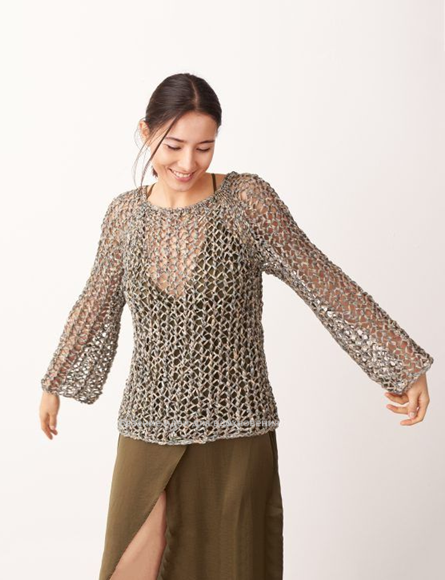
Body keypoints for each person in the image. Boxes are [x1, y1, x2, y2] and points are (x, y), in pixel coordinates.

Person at [39, 72, 434, 580]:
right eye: (173, 146)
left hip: (236, 424)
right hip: (147, 420)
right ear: (145, 132)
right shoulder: (124, 216)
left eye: (204, 148)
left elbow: (320, 280)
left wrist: (399, 361)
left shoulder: (245, 202)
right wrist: (56, 381)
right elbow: (96, 301)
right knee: (128, 566)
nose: (188, 163)